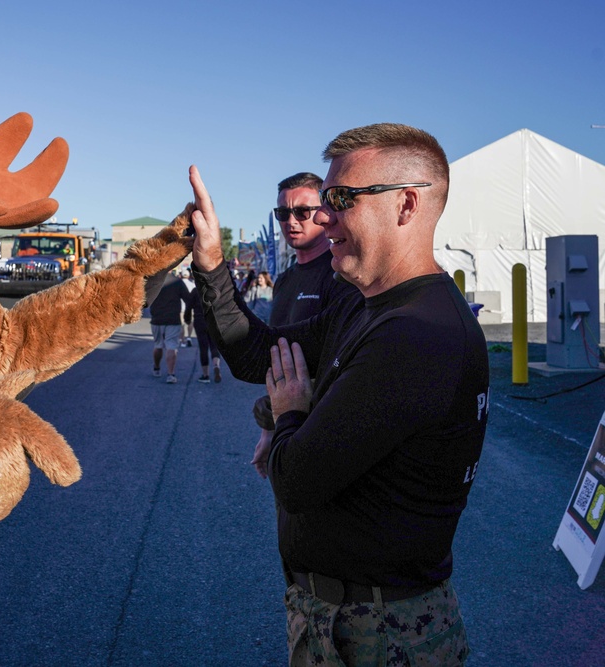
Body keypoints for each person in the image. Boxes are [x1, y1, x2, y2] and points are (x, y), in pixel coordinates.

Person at [187, 123, 487, 665]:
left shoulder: (416, 334)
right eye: (323, 200)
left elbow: (298, 480)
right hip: (342, 619)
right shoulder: (363, 305)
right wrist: (211, 265)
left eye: (341, 199)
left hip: (382, 633)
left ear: (406, 205)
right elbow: (261, 354)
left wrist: (289, 414)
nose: (323, 216)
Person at [251, 172, 359, 477]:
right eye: (283, 213)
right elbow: (278, 361)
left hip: (322, 432)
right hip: (285, 426)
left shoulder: (340, 276)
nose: (291, 221)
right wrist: (268, 432)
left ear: (324, 212)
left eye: (302, 211)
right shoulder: (284, 280)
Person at [149, 270, 192, 384]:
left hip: (157, 319)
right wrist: (187, 316)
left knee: (158, 345)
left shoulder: (153, 281)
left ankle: (157, 368)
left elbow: (143, 299)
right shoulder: (177, 282)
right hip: (173, 319)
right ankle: (170, 374)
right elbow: (188, 300)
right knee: (171, 346)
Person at [184, 285, 222, 383]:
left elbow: (188, 306)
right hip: (214, 321)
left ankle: (206, 375)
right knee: (214, 346)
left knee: (203, 347)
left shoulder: (195, 291)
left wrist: (187, 319)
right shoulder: (216, 290)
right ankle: (216, 365)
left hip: (200, 320)